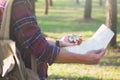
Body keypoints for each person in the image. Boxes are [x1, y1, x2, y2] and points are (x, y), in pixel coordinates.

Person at [0, 0, 105, 79]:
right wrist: (85, 58)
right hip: (22, 75)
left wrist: (59, 42)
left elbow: (29, 40)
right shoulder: (18, 5)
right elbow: (43, 51)